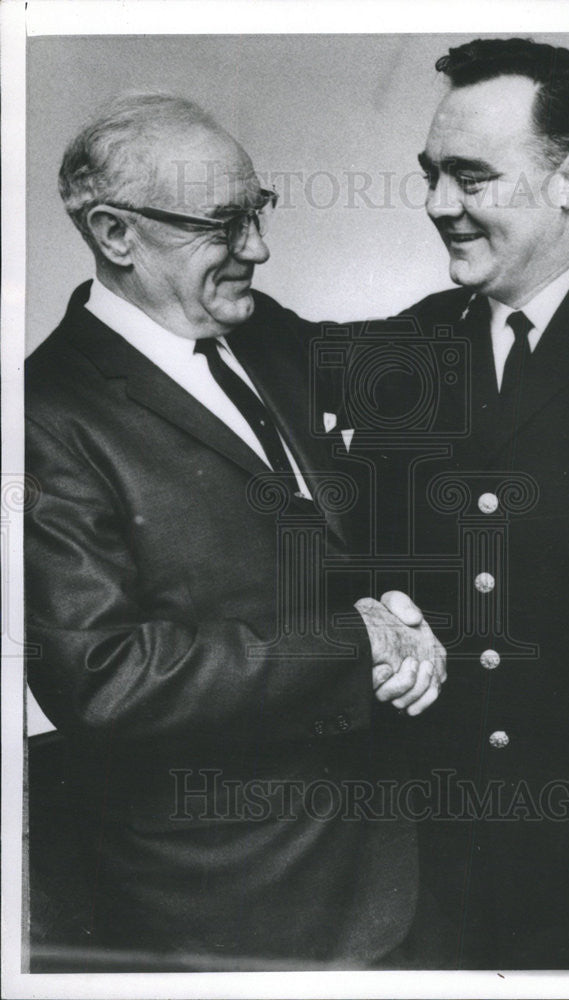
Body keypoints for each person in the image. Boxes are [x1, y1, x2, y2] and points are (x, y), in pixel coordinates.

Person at [24, 93, 447, 969]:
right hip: (226, 908)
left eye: (258, 213)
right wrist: (352, 642)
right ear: (114, 234)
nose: (258, 247)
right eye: (224, 224)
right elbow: (101, 677)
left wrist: (397, 609)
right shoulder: (41, 416)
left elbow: (409, 373)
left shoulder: (258, 335)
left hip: (381, 864)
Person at [357, 37, 569, 969]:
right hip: (436, 874)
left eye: (470, 177)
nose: (438, 206)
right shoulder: (408, 350)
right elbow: (363, 556)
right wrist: (372, 604)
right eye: (430, 176)